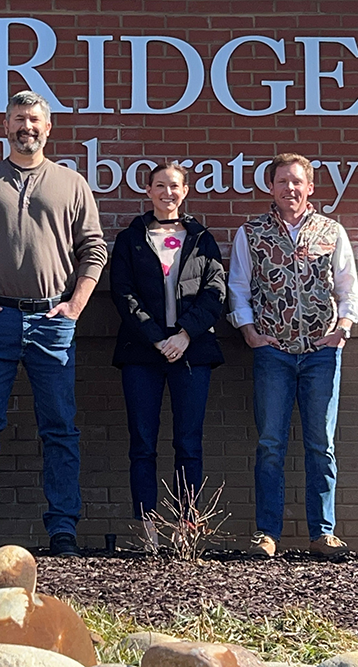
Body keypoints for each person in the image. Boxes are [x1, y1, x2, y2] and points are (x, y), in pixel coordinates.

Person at [0, 90, 108, 557]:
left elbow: (93, 249)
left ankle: (62, 528)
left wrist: (75, 305)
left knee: (60, 427)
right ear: (6, 126)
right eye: (18, 120)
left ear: (48, 127)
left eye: (34, 120)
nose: (26, 127)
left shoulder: (71, 184)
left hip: (52, 321)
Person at [228, 153, 358, 559]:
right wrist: (249, 331)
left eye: (297, 182)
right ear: (271, 187)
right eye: (282, 181)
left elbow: (347, 286)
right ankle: (267, 533)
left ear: (310, 188)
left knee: (321, 443)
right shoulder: (251, 233)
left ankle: (323, 532)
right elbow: (239, 285)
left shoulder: (330, 231)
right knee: (271, 443)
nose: (290, 188)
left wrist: (343, 329)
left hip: (321, 352)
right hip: (274, 352)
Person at [110, 162, 226, 549]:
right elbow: (124, 294)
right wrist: (157, 338)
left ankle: (186, 529)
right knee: (142, 444)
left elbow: (215, 293)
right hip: (142, 354)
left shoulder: (202, 238)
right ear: (148, 190)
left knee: (188, 444)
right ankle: (148, 530)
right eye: (160, 185)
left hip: (192, 354)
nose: (167, 192)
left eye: (174, 186)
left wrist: (185, 335)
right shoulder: (131, 239)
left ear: (185, 190)